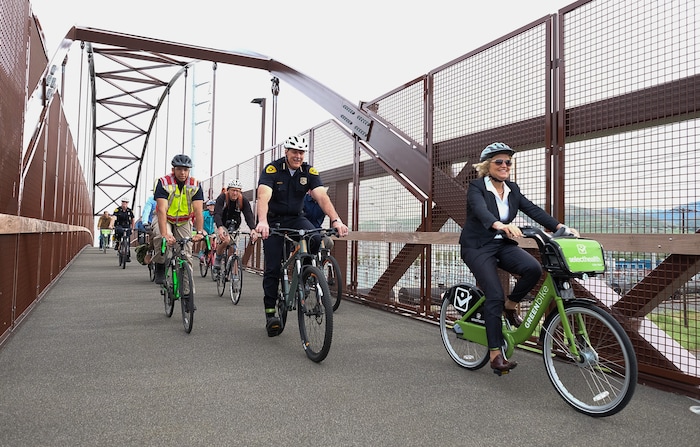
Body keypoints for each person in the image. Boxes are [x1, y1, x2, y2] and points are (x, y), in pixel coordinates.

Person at [459, 142, 579, 374]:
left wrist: (559, 226)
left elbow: (532, 209)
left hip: (501, 244)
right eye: (499, 162)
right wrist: (498, 224)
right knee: (493, 294)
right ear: (487, 166)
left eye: (508, 162)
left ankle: (511, 305)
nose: (505, 166)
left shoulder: (512, 189)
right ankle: (495, 354)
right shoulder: (477, 187)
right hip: (477, 247)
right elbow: (480, 209)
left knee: (533, 268)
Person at [255, 135, 349, 337]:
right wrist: (262, 221)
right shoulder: (272, 170)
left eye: (301, 152)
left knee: (317, 238)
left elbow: (321, 196)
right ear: (286, 152)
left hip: (297, 218)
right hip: (273, 221)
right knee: (272, 267)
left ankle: (306, 274)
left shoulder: (309, 171)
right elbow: (263, 196)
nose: (298, 156)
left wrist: (336, 219)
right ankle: (271, 313)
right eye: (294, 152)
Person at [151, 154, 206, 284]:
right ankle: (160, 263)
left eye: (186, 170)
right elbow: (162, 209)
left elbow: (198, 210)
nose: (182, 173)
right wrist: (165, 234)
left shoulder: (195, 185)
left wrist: (199, 232)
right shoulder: (163, 183)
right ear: (173, 170)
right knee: (160, 237)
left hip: (184, 221)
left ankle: (188, 297)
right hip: (164, 219)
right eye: (179, 169)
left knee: (186, 254)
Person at [212, 179, 257, 272]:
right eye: (233, 190)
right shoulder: (222, 198)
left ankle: (232, 273)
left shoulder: (242, 200)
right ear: (228, 190)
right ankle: (218, 259)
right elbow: (217, 214)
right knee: (226, 240)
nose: (235, 193)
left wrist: (253, 229)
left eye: (238, 191)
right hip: (222, 224)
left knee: (233, 249)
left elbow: (248, 215)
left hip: (235, 225)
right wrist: (220, 227)